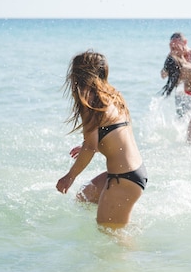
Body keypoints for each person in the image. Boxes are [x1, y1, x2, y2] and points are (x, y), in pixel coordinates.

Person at [56, 50, 147, 229]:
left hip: (123, 178)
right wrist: (89, 146)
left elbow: (90, 147)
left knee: (110, 235)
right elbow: (115, 135)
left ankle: (133, 243)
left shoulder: (90, 101)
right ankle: (120, 214)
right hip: (133, 172)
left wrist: (69, 177)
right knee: (85, 197)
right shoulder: (112, 96)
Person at [161, 33, 191, 118]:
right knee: (181, 119)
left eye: (177, 44)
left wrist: (181, 58)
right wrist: (171, 59)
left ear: (185, 42)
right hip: (181, 93)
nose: (175, 47)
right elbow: (163, 75)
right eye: (173, 45)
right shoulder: (172, 58)